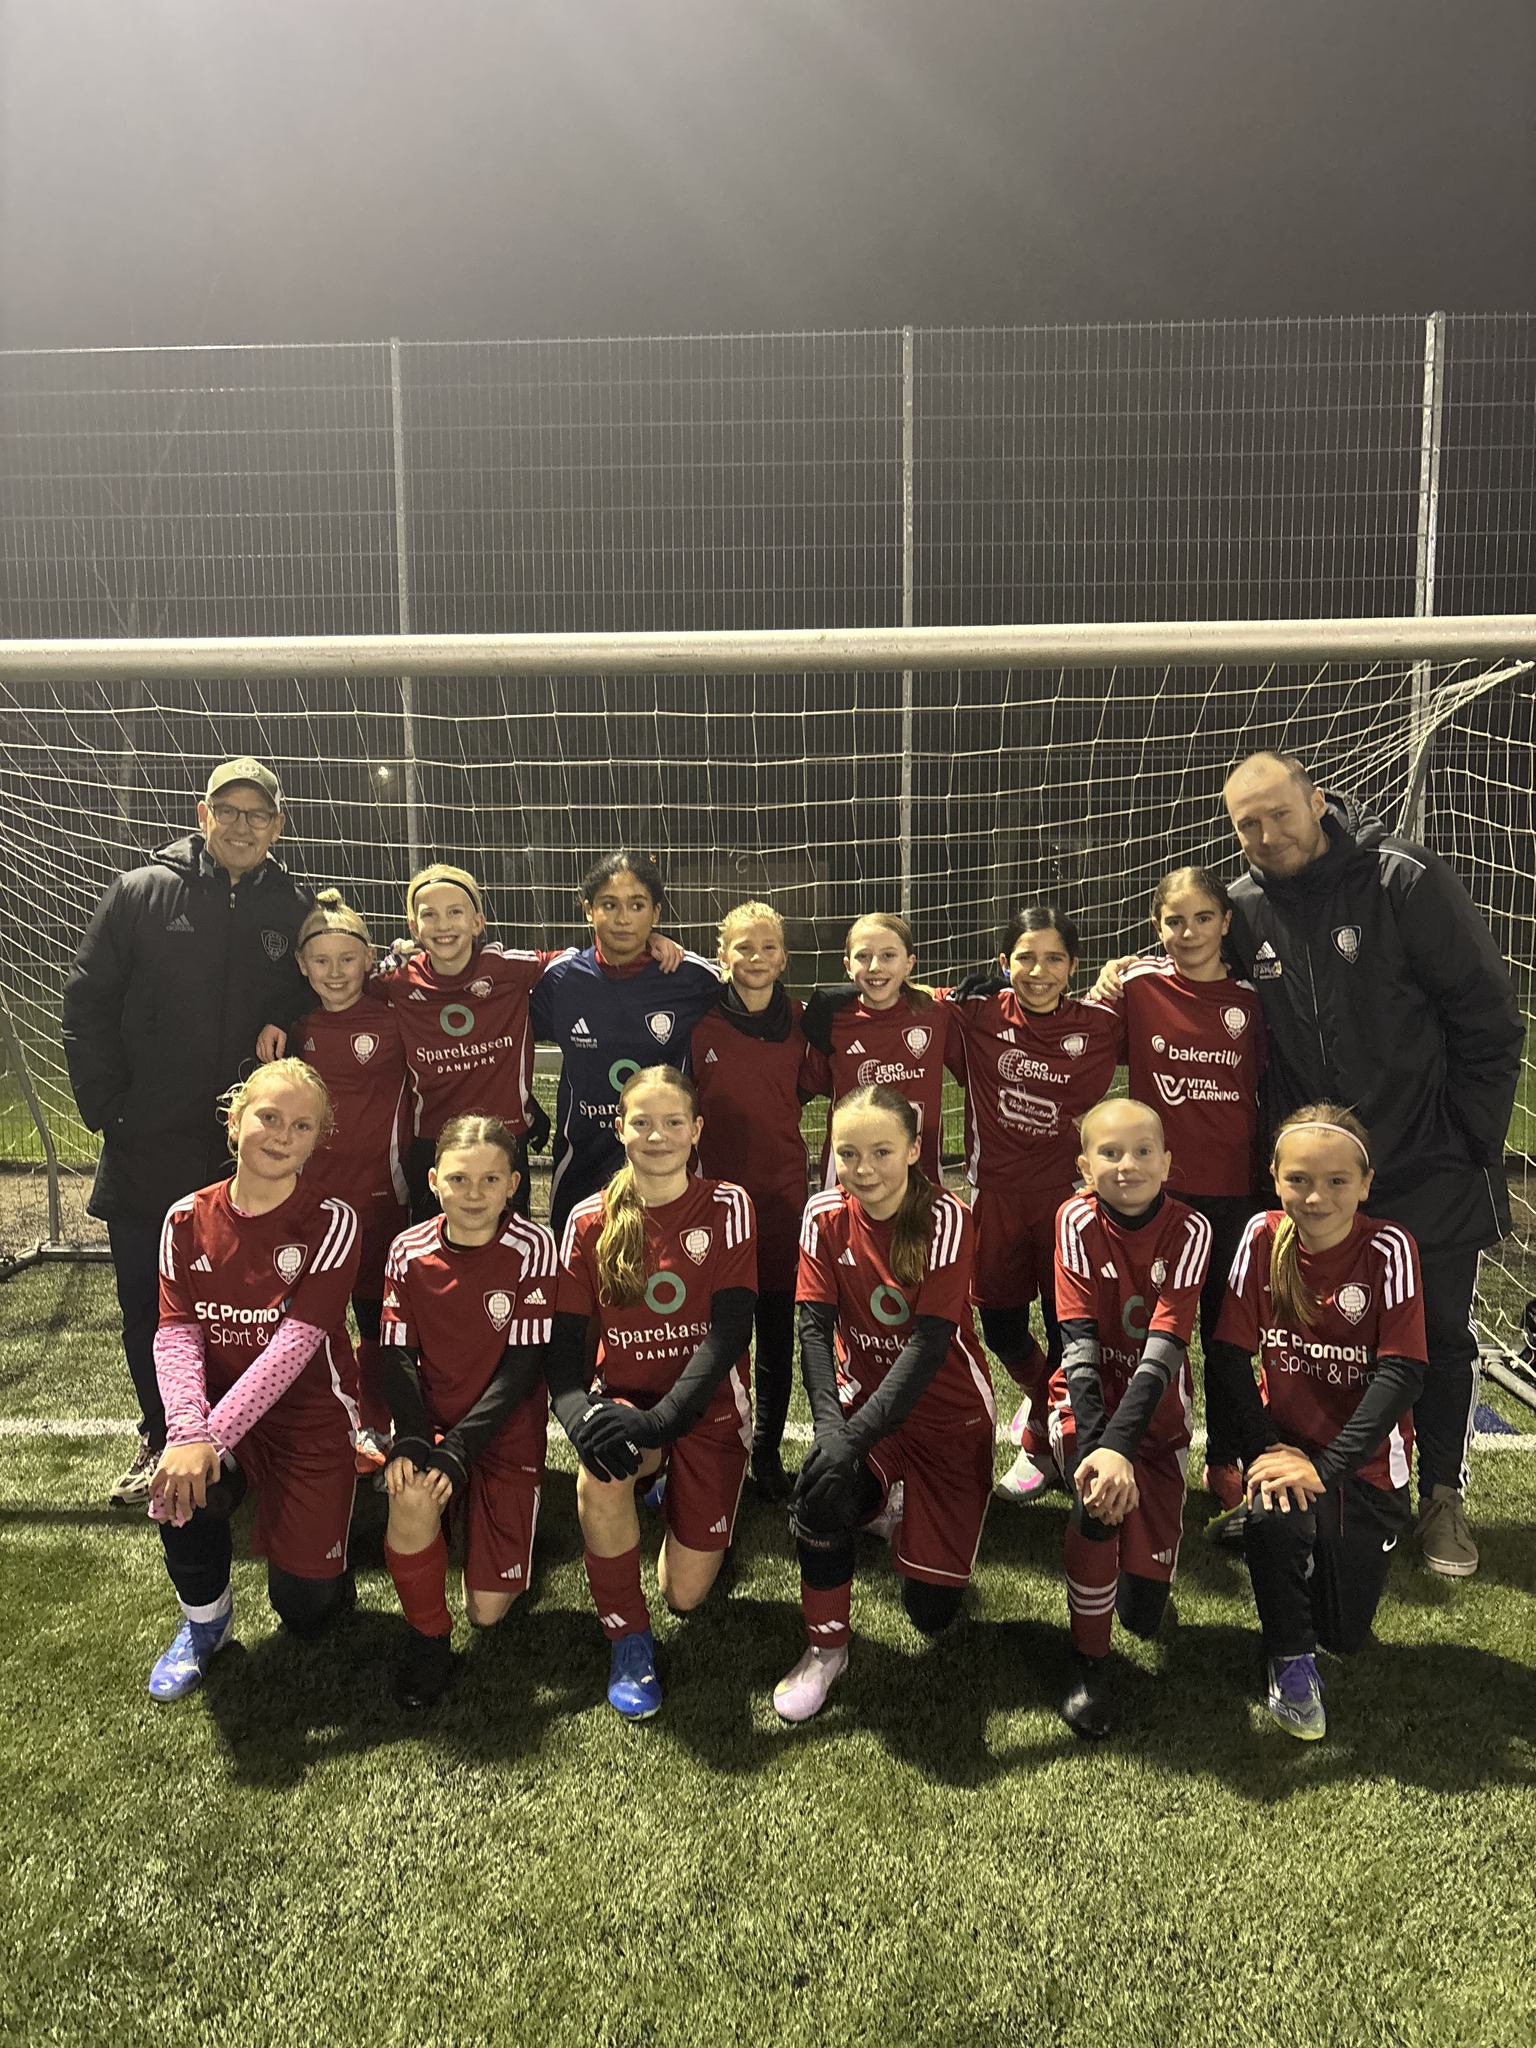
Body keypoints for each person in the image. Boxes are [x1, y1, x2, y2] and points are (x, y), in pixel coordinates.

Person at [1218, 751, 1522, 1578]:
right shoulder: (1244, 908)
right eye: (1248, 824)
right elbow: (1199, 981)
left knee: (1440, 1338)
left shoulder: (1401, 879)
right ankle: (1302, 1483)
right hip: (1321, 1185)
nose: (1267, 835)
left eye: (1280, 813)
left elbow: (1488, 1018)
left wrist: (1466, 1140)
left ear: (1318, 801)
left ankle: (1442, 1498)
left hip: (1428, 1164)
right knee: (1314, 1335)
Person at [63, 757, 315, 1509]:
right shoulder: (142, 891)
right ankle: (161, 1433)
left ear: (277, 825)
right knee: (149, 1304)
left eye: (257, 814)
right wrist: (108, 1107)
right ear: (202, 816)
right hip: (149, 1140)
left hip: (247, 1153)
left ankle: (239, 1440)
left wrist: (288, 1018)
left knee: (250, 1306)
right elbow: (86, 1000)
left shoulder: (292, 906)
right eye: (227, 811)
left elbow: (320, 986)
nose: (242, 826)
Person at [1204, 1104, 1426, 1741]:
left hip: (1363, 1467)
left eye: (1336, 1181)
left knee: (1345, 1635)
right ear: (1275, 1178)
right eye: (1298, 1179)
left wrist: (1324, 1468)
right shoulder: (1261, 1235)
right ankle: (1289, 1660)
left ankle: (1277, 1533)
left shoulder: (1389, 1248)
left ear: (1365, 1184)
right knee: (1277, 1516)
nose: (1316, 1196)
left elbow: (1402, 1375)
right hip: (1286, 1449)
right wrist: (1266, 1451)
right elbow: (1228, 1355)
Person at [145, 1058, 361, 1701]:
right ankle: (204, 1625)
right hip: (219, 1418)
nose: (282, 1135)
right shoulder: (184, 1218)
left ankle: (336, 1539)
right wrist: (188, 1434)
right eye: (269, 1116)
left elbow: (293, 1349)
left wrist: (206, 1440)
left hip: (310, 1421)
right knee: (181, 1488)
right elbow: (176, 1333)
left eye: (302, 1126)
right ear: (235, 1122)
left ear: (317, 1141)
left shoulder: (332, 1221)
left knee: (307, 1613)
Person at [778, 1085, 995, 1725]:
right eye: (848, 1153)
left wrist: (852, 1437)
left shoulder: (947, 1218)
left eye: (881, 1152)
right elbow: (813, 1328)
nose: (863, 1168)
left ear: (914, 1150)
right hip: (865, 1405)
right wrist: (831, 1432)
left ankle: (907, 1506)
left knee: (930, 1615)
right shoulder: (823, 1213)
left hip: (948, 1414)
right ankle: (826, 1649)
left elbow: (929, 1345)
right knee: (820, 1491)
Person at [549, 1066, 757, 1720]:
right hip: (630, 1405)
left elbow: (730, 1331)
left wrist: (662, 1424)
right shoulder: (589, 1218)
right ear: (620, 1129)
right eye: (642, 1122)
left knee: (685, 1596)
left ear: (696, 1131)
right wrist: (576, 1412)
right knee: (599, 1472)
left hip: (707, 1410)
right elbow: (565, 1345)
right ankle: (628, 1638)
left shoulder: (728, 1205)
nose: (657, 1135)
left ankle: (674, 1484)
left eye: (673, 1122)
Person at [1088, 867, 1267, 1510]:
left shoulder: (1253, 1000)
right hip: (1149, 1195)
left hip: (1232, 1194)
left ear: (1225, 922)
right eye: (1174, 921)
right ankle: (1114, 1443)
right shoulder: (1136, 984)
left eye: (1202, 918)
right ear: (1155, 925)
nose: (1188, 933)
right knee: (1141, 1327)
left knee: (1225, 1335)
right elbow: (1078, 1037)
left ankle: (1225, 1458)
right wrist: (1102, 979)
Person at [379, 1115, 557, 1709]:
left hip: (504, 1431)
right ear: (434, 1181)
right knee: (409, 1493)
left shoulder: (534, 1247)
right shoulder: (407, 1250)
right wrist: (414, 1438)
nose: (473, 1194)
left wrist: (461, 1449)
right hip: (434, 1425)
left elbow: (524, 1365)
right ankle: (429, 1637)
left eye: (490, 1180)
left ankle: (488, 1520)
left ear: (513, 1185)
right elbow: (397, 1352)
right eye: (458, 1179)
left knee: (487, 1611)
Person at [946, 905, 1121, 1504]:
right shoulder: (975, 1015)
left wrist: (1124, 968)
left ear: (1074, 967)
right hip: (993, 1197)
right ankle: (1045, 1407)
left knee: (1067, 1327)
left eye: (1053, 959)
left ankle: (1044, 1441)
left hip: (1067, 1202)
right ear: (1004, 963)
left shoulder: (1101, 1024)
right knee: (1001, 1327)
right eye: (1025, 957)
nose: (1039, 971)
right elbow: (898, 994)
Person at [1050, 1097, 1211, 1739]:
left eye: (1143, 1151)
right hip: (1086, 1405)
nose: (1128, 1165)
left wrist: (1121, 1447)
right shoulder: (1074, 1219)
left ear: (1167, 1162)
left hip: (1157, 1417)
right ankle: (1088, 1662)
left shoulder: (1192, 1230)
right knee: (1096, 1502)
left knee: (1144, 1615)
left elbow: (1163, 1353)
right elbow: (1078, 1343)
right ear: (1084, 1166)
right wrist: (1098, 1451)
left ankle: (1134, 1577)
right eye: (1110, 1153)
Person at [530, 852, 722, 1239]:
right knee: (580, 1269)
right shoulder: (561, 980)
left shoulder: (690, 977)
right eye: (609, 905)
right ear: (588, 910)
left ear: (656, 913)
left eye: (637, 906)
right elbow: (501, 1025)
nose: (623, 919)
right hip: (582, 1159)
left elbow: (752, 1000)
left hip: (664, 1158)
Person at [689, 900, 810, 1500]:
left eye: (768, 947)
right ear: (723, 955)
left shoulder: (805, 1022)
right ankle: (713, 1444)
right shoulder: (699, 1022)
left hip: (783, 1199)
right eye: (744, 947)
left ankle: (765, 1452)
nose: (756, 958)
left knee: (777, 1332)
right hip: (714, 1205)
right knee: (718, 1330)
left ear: (784, 958)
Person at [288, 889, 411, 1470]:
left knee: (376, 1316)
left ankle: (378, 1424)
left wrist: (405, 963)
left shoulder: (395, 1011)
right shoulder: (294, 1026)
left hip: (383, 1194)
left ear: (368, 958)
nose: (334, 972)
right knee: (313, 1314)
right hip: (312, 1198)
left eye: (347, 959)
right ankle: (317, 1421)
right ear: (301, 965)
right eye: (321, 961)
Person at [799, 912, 965, 1186]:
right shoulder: (833, 1020)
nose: (875, 967)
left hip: (918, 1174)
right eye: (863, 956)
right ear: (848, 965)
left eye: (888, 956)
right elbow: (808, 1084)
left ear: (909, 963)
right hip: (850, 1176)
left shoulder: (937, 1014)